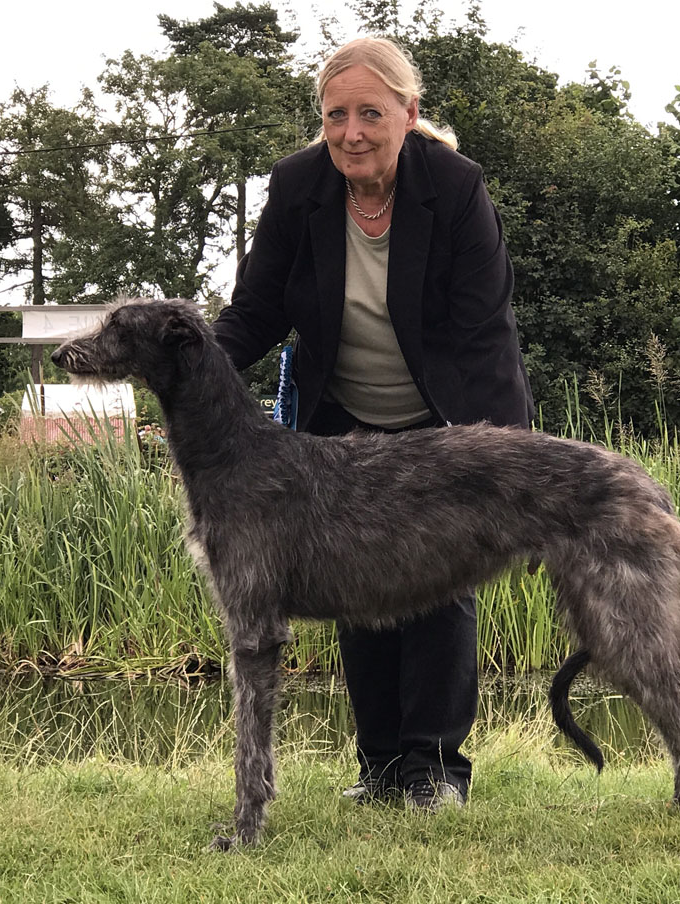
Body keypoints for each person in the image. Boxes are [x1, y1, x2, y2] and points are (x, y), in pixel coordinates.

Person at [212, 36, 533, 810]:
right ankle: (381, 766)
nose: (351, 132)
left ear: (407, 112)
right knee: (356, 589)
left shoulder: (455, 188)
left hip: (441, 421)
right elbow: (255, 310)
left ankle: (435, 771)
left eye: (370, 113)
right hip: (341, 421)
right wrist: (189, 370)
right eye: (335, 116)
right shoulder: (297, 187)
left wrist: (505, 457)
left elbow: (484, 331)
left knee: (438, 588)